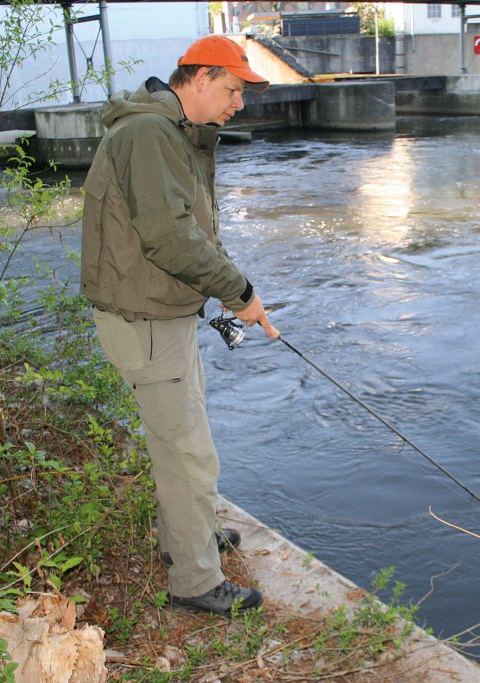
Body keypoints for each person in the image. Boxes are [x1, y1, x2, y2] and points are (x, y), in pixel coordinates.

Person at [80, 35, 279, 616]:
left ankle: (187, 539)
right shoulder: (148, 133)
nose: (238, 104)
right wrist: (238, 291)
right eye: (233, 89)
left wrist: (218, 291)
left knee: (184, 440)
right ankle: (194, 581)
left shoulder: (171, 133)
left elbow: (186, 229)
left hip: (160, 317)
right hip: (145, 323)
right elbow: (168, 236)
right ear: (200, 77)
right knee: (187, 453)